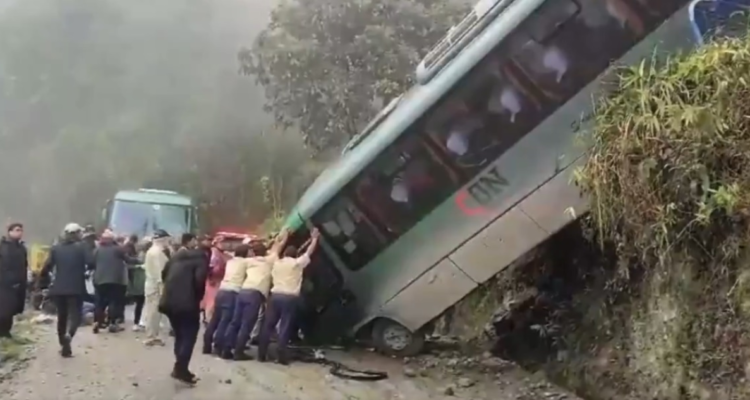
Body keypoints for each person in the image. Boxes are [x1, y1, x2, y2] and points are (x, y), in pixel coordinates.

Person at [257, 229, 320, 364]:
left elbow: (275, 249)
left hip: (275, 296)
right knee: (285, 326)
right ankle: (281, 356)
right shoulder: (297, 264)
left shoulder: (276, 263)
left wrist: (284, 237)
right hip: (289, 298)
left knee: (268, 325)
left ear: (285, 254)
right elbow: (309, 251)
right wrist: (314, 238)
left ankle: (261, 354)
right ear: (295, 254)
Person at [158, 233, 208, 384]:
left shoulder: (175, 258)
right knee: (189, 335)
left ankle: (179, 367)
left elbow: (163, 275)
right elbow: (200, 282)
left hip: (168, 302)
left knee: (180, 334)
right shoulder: (200, 259)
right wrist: (197, 299)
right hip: (187, 304)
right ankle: (182, 369)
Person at [40, 223, 91, 357]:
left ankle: (63, 344)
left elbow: (46, 267)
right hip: (76, 287)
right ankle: (69, 335)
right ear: (77, 234)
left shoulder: (56, 248)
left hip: (59, 288)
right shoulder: (82, 248)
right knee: (75, 315)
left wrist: (43, 282)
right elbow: (91, 262)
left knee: (61, 316)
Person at [201, 244, 249, 356]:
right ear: (246, 253)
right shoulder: (246, 263)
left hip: (222, 290)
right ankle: (219, 346)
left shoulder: (230, 262)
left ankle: (207, 345)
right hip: (233, 292)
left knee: (215, 319)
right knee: (225, 320)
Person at [91, 231, 139, 333]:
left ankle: (97, 322)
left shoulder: (97, 250)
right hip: (114, 279)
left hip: (99, 279)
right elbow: (128, 259)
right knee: (113, 301)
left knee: (99, 302)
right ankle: (112, 323)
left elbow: (92, 263)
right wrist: (139, 260)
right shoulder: (118, 249)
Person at [143, 229, 171, 346]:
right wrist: (162, 289)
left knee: (153, 312)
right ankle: (151, 336)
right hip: (156, 287)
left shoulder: (152, 251)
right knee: (153, 313)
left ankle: (153, 335)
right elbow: (160, 273)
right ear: (162, 239)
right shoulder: (157, 253)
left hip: (151, 285)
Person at [0, 223, 28, 339]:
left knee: (13, 309)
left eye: (21, 230)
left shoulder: (21, 248)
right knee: (4, 310)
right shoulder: (3, 247)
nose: (19, 232)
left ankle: (6, 332)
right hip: (4, 284)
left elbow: (24, 265)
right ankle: (3, 333)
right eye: (17, 230)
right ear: (10, 232)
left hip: (19, 283)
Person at [201, 237, 227, 324]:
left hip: (218, 280)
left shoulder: (221, 253)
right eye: (222, 243)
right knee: (211, 302)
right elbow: (211, 266)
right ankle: (208, 319)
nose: (224, 244)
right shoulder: (214, 253)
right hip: (213, 280)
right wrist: (211, 277)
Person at [127, 237, 147, 331]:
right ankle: (138, 322)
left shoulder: (139, 255)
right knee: (141, 303)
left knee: (140, 304)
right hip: (142, 284)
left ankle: (138, 322)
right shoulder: (143, 256)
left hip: (139, 283)